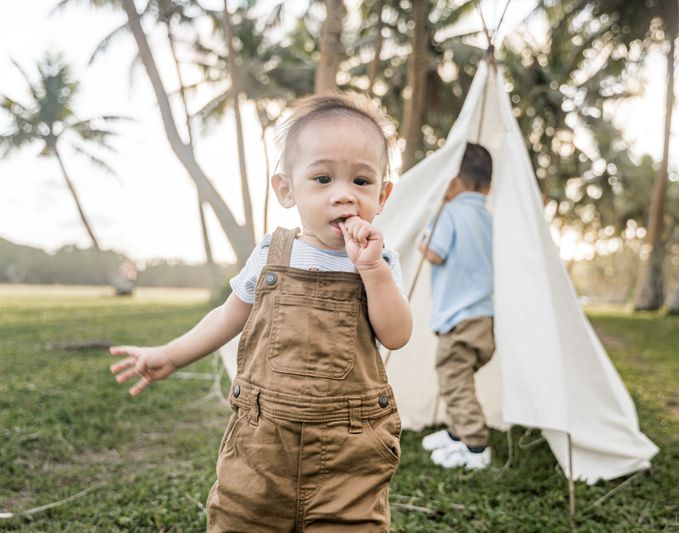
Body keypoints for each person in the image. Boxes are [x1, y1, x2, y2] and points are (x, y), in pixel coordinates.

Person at [109, 93, 413, 531]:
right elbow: (228, 316)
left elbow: (397, 333)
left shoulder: (379, 262)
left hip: (350, 450)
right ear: (287, 189)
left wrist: (372, 272)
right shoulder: (272, 252)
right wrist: (171, 355)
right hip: (261, 445)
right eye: (323, 178)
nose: (343, 195)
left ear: (382, 195)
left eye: (361, 182)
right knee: (240, 519)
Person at [419, 142, 494, 470]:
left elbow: (435, 252)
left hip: (458, 318)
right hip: (484, 317)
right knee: (459, 378)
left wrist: (424, 238)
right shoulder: (488, 218)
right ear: (487, 187)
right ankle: (455, 434)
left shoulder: (448, 213)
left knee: (453, 379)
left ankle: (475, 446)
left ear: (451, 182)